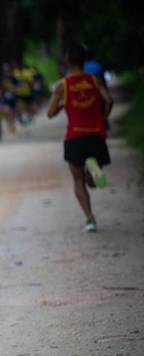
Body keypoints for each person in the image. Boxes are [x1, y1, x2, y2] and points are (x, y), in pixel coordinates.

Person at [47, 44, 113, 232]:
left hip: (75, 136)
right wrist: (103, 118)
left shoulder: (63, 85)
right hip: (96, 134)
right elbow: (109, 100)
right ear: (84, 60)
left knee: (77, 180)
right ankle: (92, 173)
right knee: (91, 178)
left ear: (67, 61)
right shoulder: (94, 79)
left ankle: (90, 219)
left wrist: (63, 104)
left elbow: (50, 113)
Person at [0, 64, 18, 134]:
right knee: (7, 111)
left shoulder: (13, 78)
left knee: (13, 113)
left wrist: (14, 88)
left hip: (13, 99)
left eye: (7, 71)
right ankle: (8, 124)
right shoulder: (1, 79)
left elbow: (19, 85)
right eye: (5, 71)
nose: (6, 72)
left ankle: (12, 125)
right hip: (5, 99)